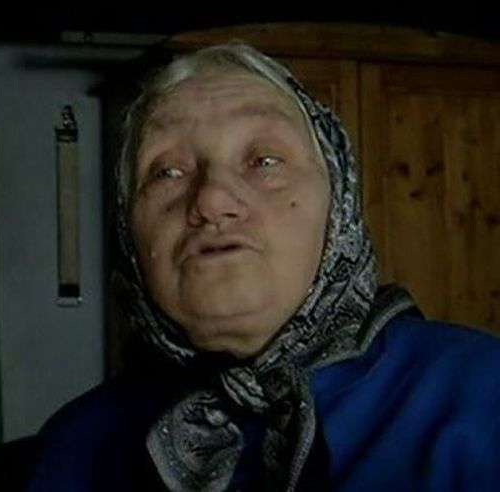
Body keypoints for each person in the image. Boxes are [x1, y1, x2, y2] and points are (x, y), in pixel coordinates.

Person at [26, 43, 500, 491]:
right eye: (167, 171)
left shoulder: (481, 397)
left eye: (264, 161)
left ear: (338, 204)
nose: (212, 199)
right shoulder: (77, 448)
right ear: (130, 228)